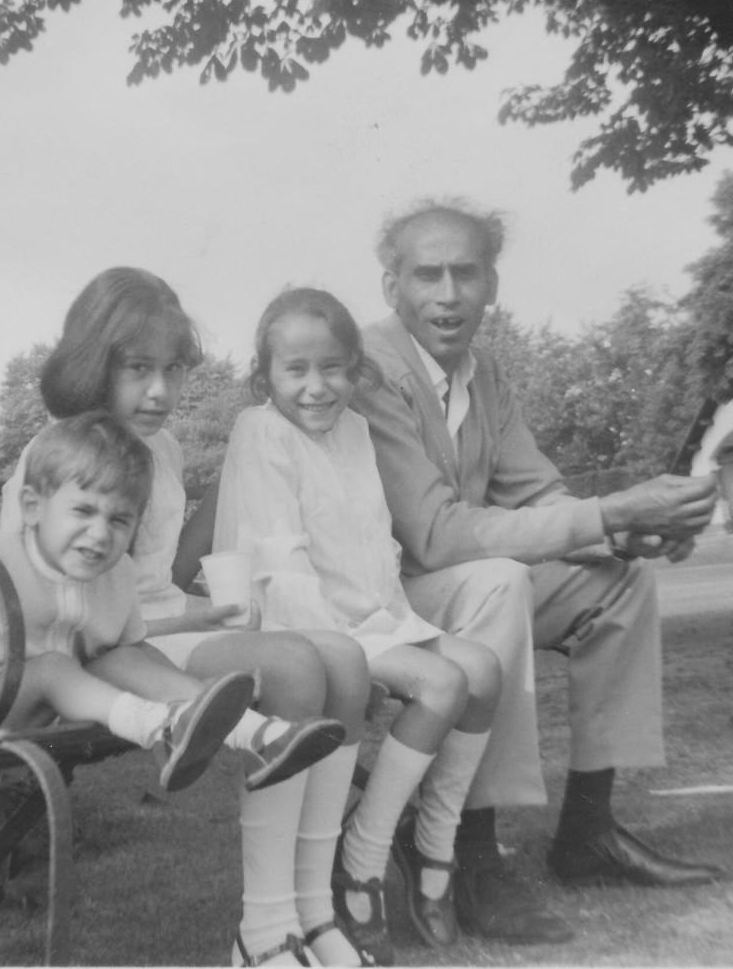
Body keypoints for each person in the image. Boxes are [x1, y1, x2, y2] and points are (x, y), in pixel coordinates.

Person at [350, 202, 723, 945]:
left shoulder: (484, 374)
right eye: (428, 275)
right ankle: (469, 852)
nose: (449, 294)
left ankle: (588, 831)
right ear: (392, 286)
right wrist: (611, 513)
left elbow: (539, 494)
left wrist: (632, 533)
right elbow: (435, 534)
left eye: (467, 273)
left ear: (493, 284)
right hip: (371, 600)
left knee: (616, 586)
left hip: (442, 591)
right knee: (498, 581)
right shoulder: (369, 370)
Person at [0, 268, 372, 968]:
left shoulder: (163, 449)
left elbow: (153, 585)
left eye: (173, 371)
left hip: (155, 632)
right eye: (139, 370)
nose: (162, 392)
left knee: (345, 660)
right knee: (290, 663)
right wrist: (199, 619)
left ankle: (314, 914)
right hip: (93, 660)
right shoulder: (58, 455)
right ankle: (263, 933)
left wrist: (214, 608)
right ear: (92, 364)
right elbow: (67, 615)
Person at [213, 287, 503, 961]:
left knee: (482, 671)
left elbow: (371, 542)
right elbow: (279, 565)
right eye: (296, 371)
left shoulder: (356, 430)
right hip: (305, 626)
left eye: (334, 368)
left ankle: (433, 842)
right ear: (266, 378)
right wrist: (352, 650)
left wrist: (395, 622)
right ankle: (364, 859)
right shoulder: (262, 432)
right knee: (437, 685)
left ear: (355, 370)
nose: (317, 388)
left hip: (374, 613)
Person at [0, 412, 265, 792]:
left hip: (33, 716)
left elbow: (132, 653)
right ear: (32, 507)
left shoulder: (114, 574)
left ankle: (259, 735)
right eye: (83, 511)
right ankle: (158, 723)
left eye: (120, 520)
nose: (100, 533)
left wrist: (185, 687)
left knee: (119, 655)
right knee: (52, 668)